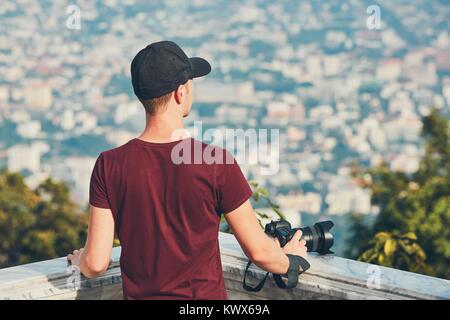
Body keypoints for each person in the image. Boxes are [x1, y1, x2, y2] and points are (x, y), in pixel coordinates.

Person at [67, 41, 308, 300]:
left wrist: (81, 260)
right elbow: (259, 252)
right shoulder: (215, 162)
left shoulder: (109, 164)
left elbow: (95, 264)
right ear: (181, 93)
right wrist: (292, 262)